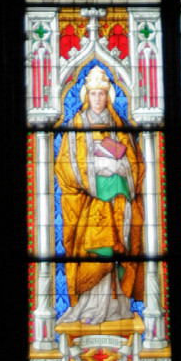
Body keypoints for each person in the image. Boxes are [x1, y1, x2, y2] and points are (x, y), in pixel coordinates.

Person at [54, 66, 145, 326]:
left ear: (108, 97)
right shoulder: (76, 126)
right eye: (93, 94)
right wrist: (94, 170)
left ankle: (115, 307)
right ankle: (90, 304)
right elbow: (64, 166)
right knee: (94, 250)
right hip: (88, 204)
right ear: (86, 96)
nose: (97, 99)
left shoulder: (119, 126)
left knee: (117, 249)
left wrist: (119, 168)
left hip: (118, 202)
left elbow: (136, 165)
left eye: (101, 94)